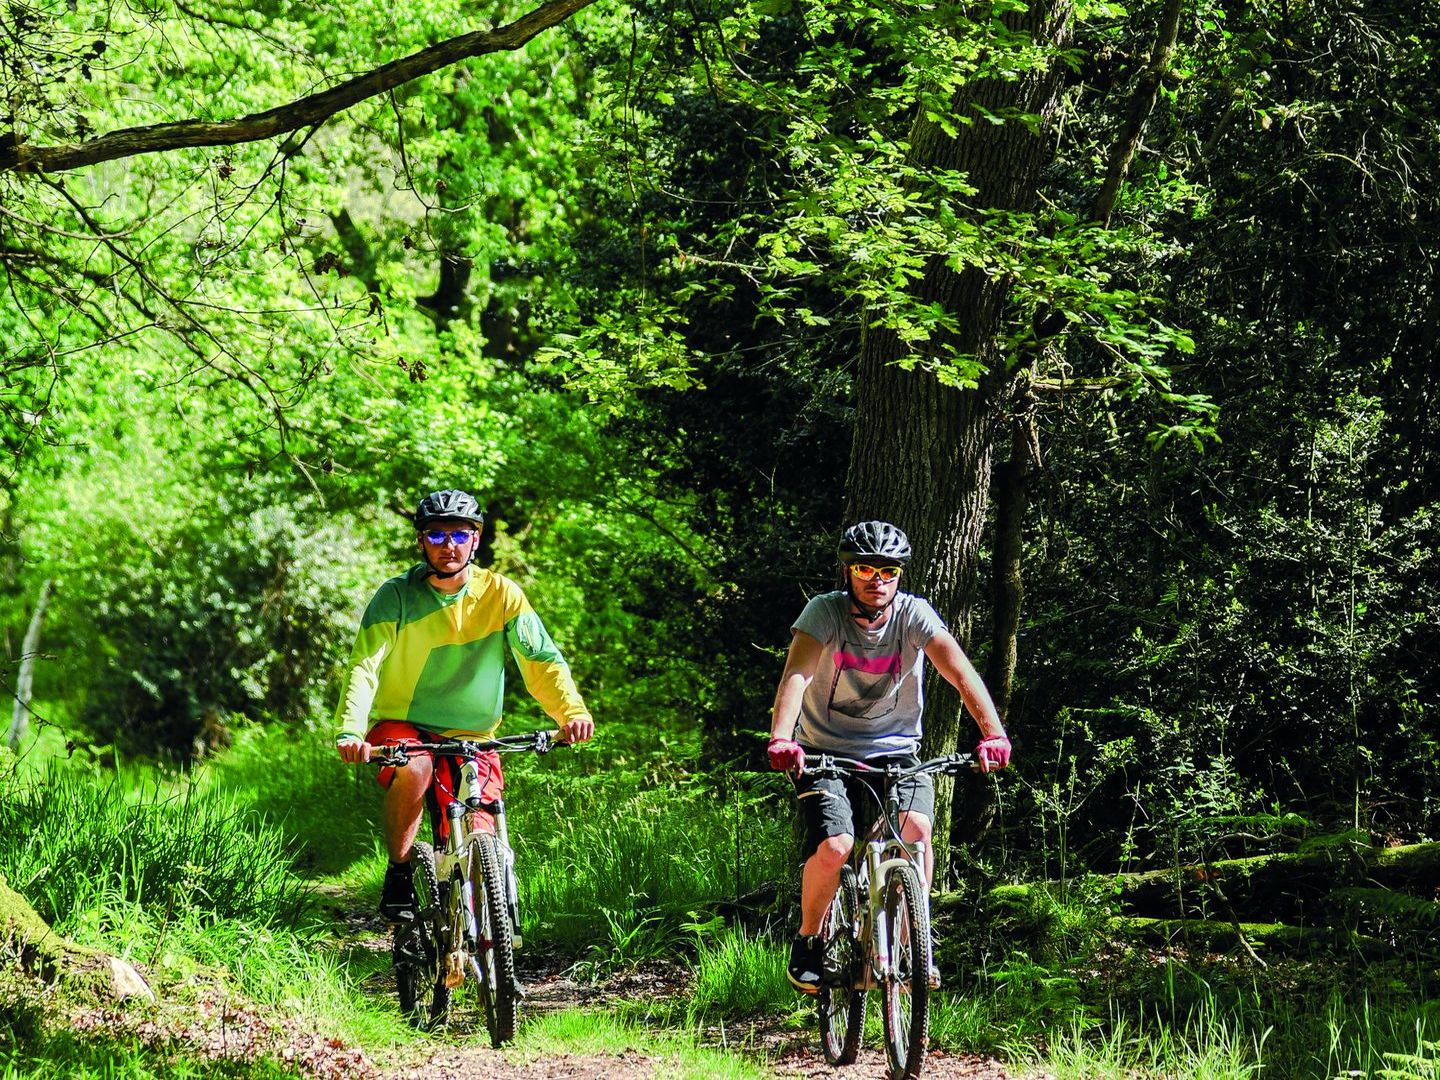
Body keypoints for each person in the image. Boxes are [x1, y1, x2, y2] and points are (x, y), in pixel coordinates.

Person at [767, 520, 1011, 993]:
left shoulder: (915, 615)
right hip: (824, 751)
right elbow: (796, 676)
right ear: (847, 573)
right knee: (836, 846)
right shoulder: (824, 613)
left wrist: (993, 734)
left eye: (889, 570)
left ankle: (912, 950)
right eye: (864, 568)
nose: (877, 580)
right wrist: (782, 738)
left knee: (916, 831)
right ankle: (809, 941)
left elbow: (960, 674)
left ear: (900, 574)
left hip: (898, 753)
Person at [334, 488, 595, 920]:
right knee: (414, 767)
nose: (448, 545)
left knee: (482, 826)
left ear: (476, 539)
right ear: (421, 542)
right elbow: (365, 665)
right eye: (436, 536)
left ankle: (481, 940)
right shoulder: (395, 596)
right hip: (404, 726)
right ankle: (399, 872)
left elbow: (541, 661)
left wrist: (572, 713)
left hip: (474, 735)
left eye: (459, 534)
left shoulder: (502, 594)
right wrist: (351, 731)